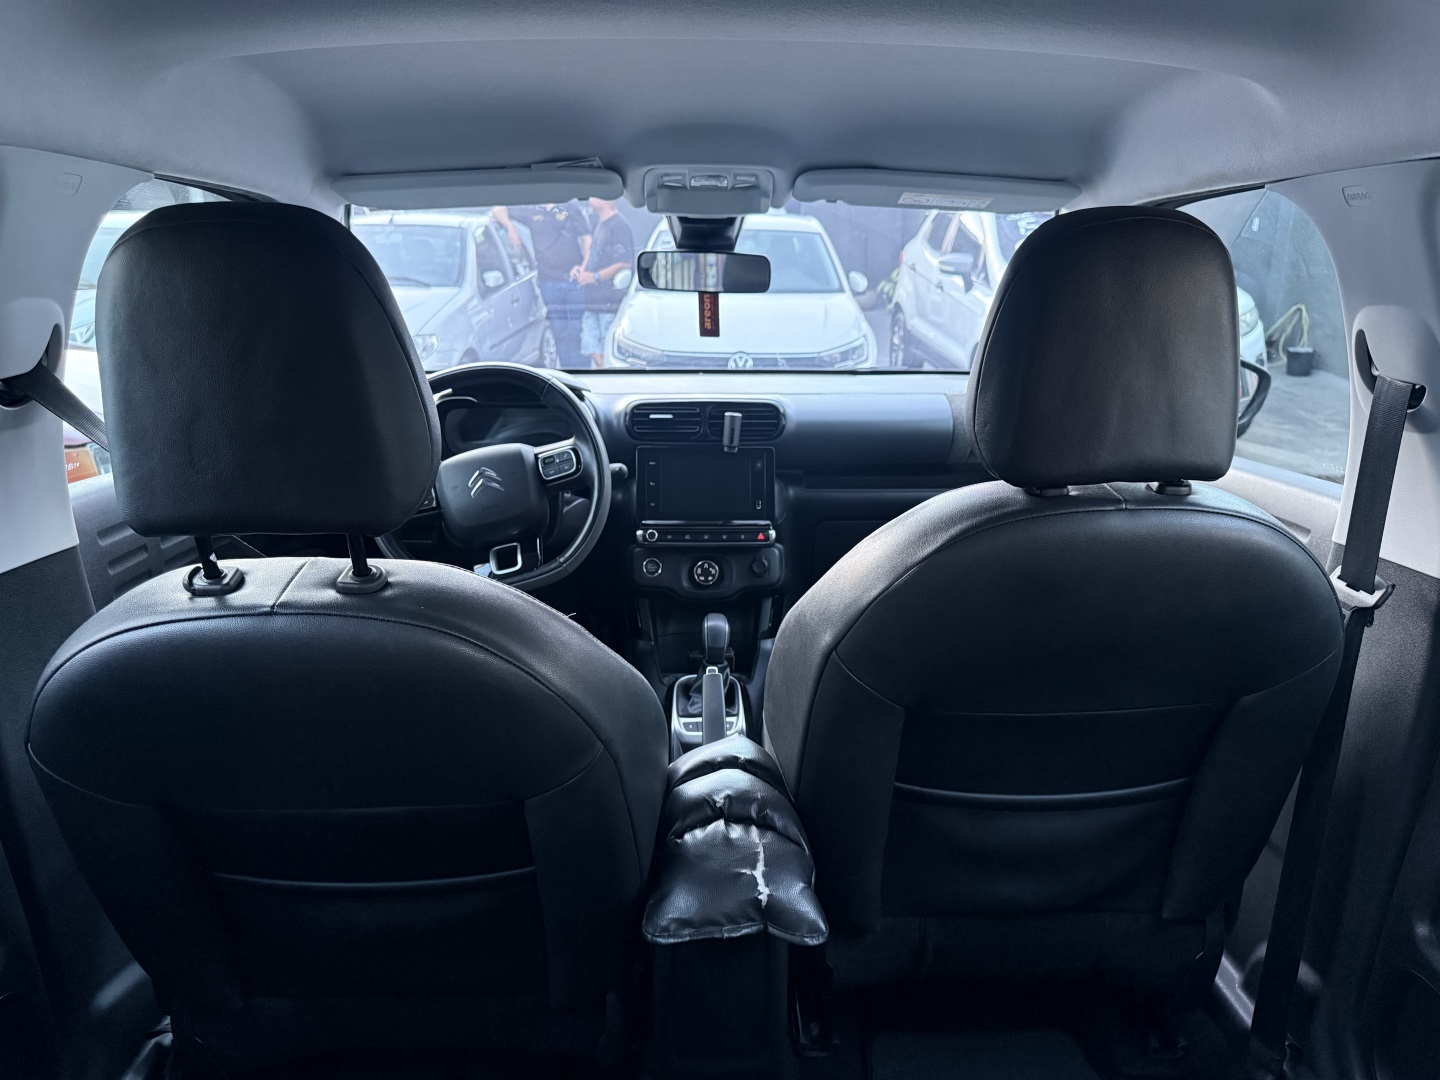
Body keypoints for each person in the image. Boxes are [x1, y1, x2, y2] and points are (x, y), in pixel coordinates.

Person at [492, 203, 588, 367]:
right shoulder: (531, 210)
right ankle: (568, 369)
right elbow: (497, 210)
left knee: (576, 330)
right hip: (548, 282)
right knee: (559, 331)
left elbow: (587, 240)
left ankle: (584, 371)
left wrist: (583, 267)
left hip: (573, 281)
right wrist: (510, 227)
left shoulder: (570, 208)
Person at [573, 197, 634, 367]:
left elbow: (624, 263)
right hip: (592, 302)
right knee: (590, 346)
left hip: (608, 302)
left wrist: (595, 277)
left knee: (606, 348)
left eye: (595, 196)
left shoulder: (618, 226)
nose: (590, 199)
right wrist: (582, 269)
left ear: (606, 200)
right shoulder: (599, 224)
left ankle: (608, 376)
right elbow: (594, 255)